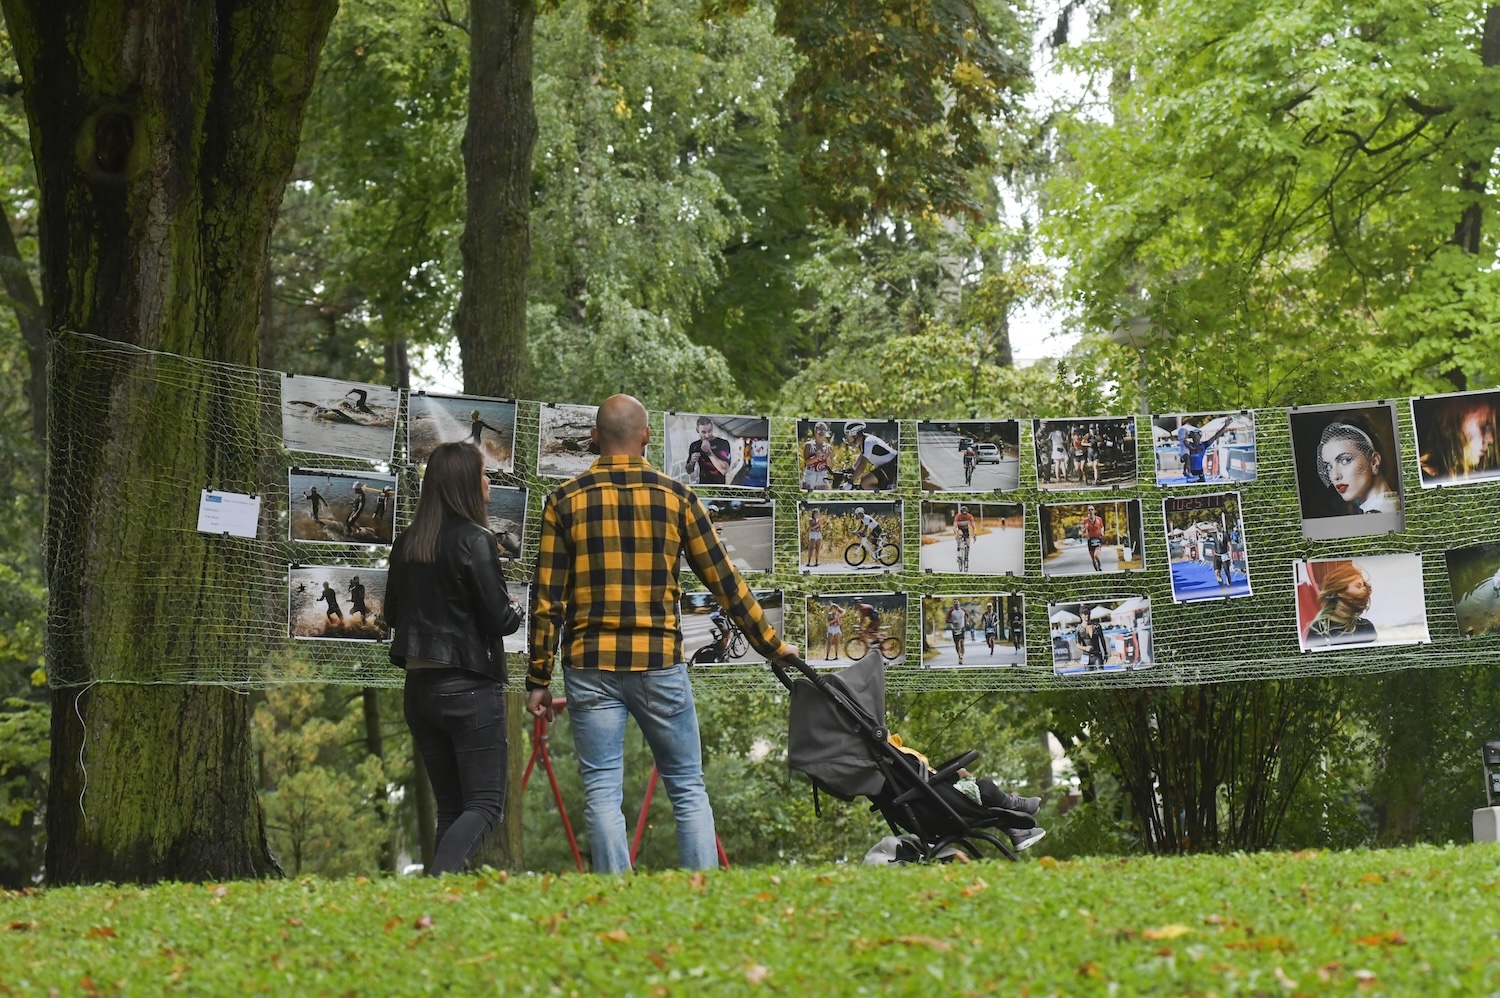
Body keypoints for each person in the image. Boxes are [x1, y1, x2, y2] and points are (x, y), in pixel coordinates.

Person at [527, 395, 798, 874]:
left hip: (589, 666)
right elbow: (725, 581)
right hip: (658, 664)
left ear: (593, 436)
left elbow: (547, 601)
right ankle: (700, 895)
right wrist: (771, 646)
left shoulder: (563, 501)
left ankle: (614, 899)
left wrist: (538, 678)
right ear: (648, 436)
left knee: (602, 792)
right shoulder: (678, 497)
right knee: (688, 787)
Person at [385, 441, 522, 876]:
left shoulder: (408, 541)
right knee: (485, 806)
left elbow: (391, 613)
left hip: (419, 691)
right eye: (484, 473)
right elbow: (500, 619)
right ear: (464, 482)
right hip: (468, 690)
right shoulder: (476, 539)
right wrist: (517, 607)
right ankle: (436, 883)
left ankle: (440, 905)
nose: (489, 482)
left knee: (451, 809)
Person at [1316, 420, 1401, 514]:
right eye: (1329, 466)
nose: (1335, 476)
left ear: (1374, 461)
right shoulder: (1388, 504)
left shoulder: (1379, 513)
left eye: (1345, 460)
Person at [1304, 561, 1377, 647]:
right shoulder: (1319, 630)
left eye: (1364, 586)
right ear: (1340, 592)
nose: (1364, 589)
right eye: (1358, 586)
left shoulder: (1366, 627)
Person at [845, 421, 898, 490]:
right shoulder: (862, 442)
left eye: (847, 434)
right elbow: (862, 456)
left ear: (854, 433)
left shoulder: (868, 442)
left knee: (865, 482)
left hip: (892, 464)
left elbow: (862, 465)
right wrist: (853, 468)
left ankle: (885, 497)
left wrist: (850, 482)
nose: (847, 437)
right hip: (887, 465)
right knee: (866, 481)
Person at [685, 415, 731, 486]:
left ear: (712, 428)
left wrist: (709, 452)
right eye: (703, 432)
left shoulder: (722, 443)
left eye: (710, 431)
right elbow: (689, 470)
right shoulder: (695, 446)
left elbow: (724, 470)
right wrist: (691, 462)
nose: (707, 435)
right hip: (703, 486)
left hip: (719, 487)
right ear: (697, 430)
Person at [801, 421, 832, 490]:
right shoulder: (809, 445)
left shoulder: (828, 447)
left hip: (823, 475)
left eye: (823, 430)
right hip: (810, 475)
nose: (821, 432)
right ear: (815, 431)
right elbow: (806, 462)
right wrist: (816, 458)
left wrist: (828, 457)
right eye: (819, 430)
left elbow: (829, 466)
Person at [1082, 504, 1106, 572]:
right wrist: (1085, 528)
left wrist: (1102, 531)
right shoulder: (1085, 520)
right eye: (1089, 510)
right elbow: (1082, 531)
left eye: (1092, 509)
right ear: (1087, 511)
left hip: (1097, 539)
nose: (1090, 511)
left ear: (1094, 511)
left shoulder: (1099, 519)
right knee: (1092, 558)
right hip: (1090, 540)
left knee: (1096, 555)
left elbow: (1102, 527)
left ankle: (1099, 564)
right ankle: (1096, 570)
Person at [946, 600, 967, 665]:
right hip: (955, 629)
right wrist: (952, 622)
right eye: (955, 604)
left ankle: (961, 656)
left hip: (962, 628)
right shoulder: (951, 612)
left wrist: (967, 622)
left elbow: (967, 616)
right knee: (957, 644)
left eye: (957, 604)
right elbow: (946, 620)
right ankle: (959, 654)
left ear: (959, 604)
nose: (956, 605)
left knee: (962, 643)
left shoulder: (963, 610)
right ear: (953, 605)